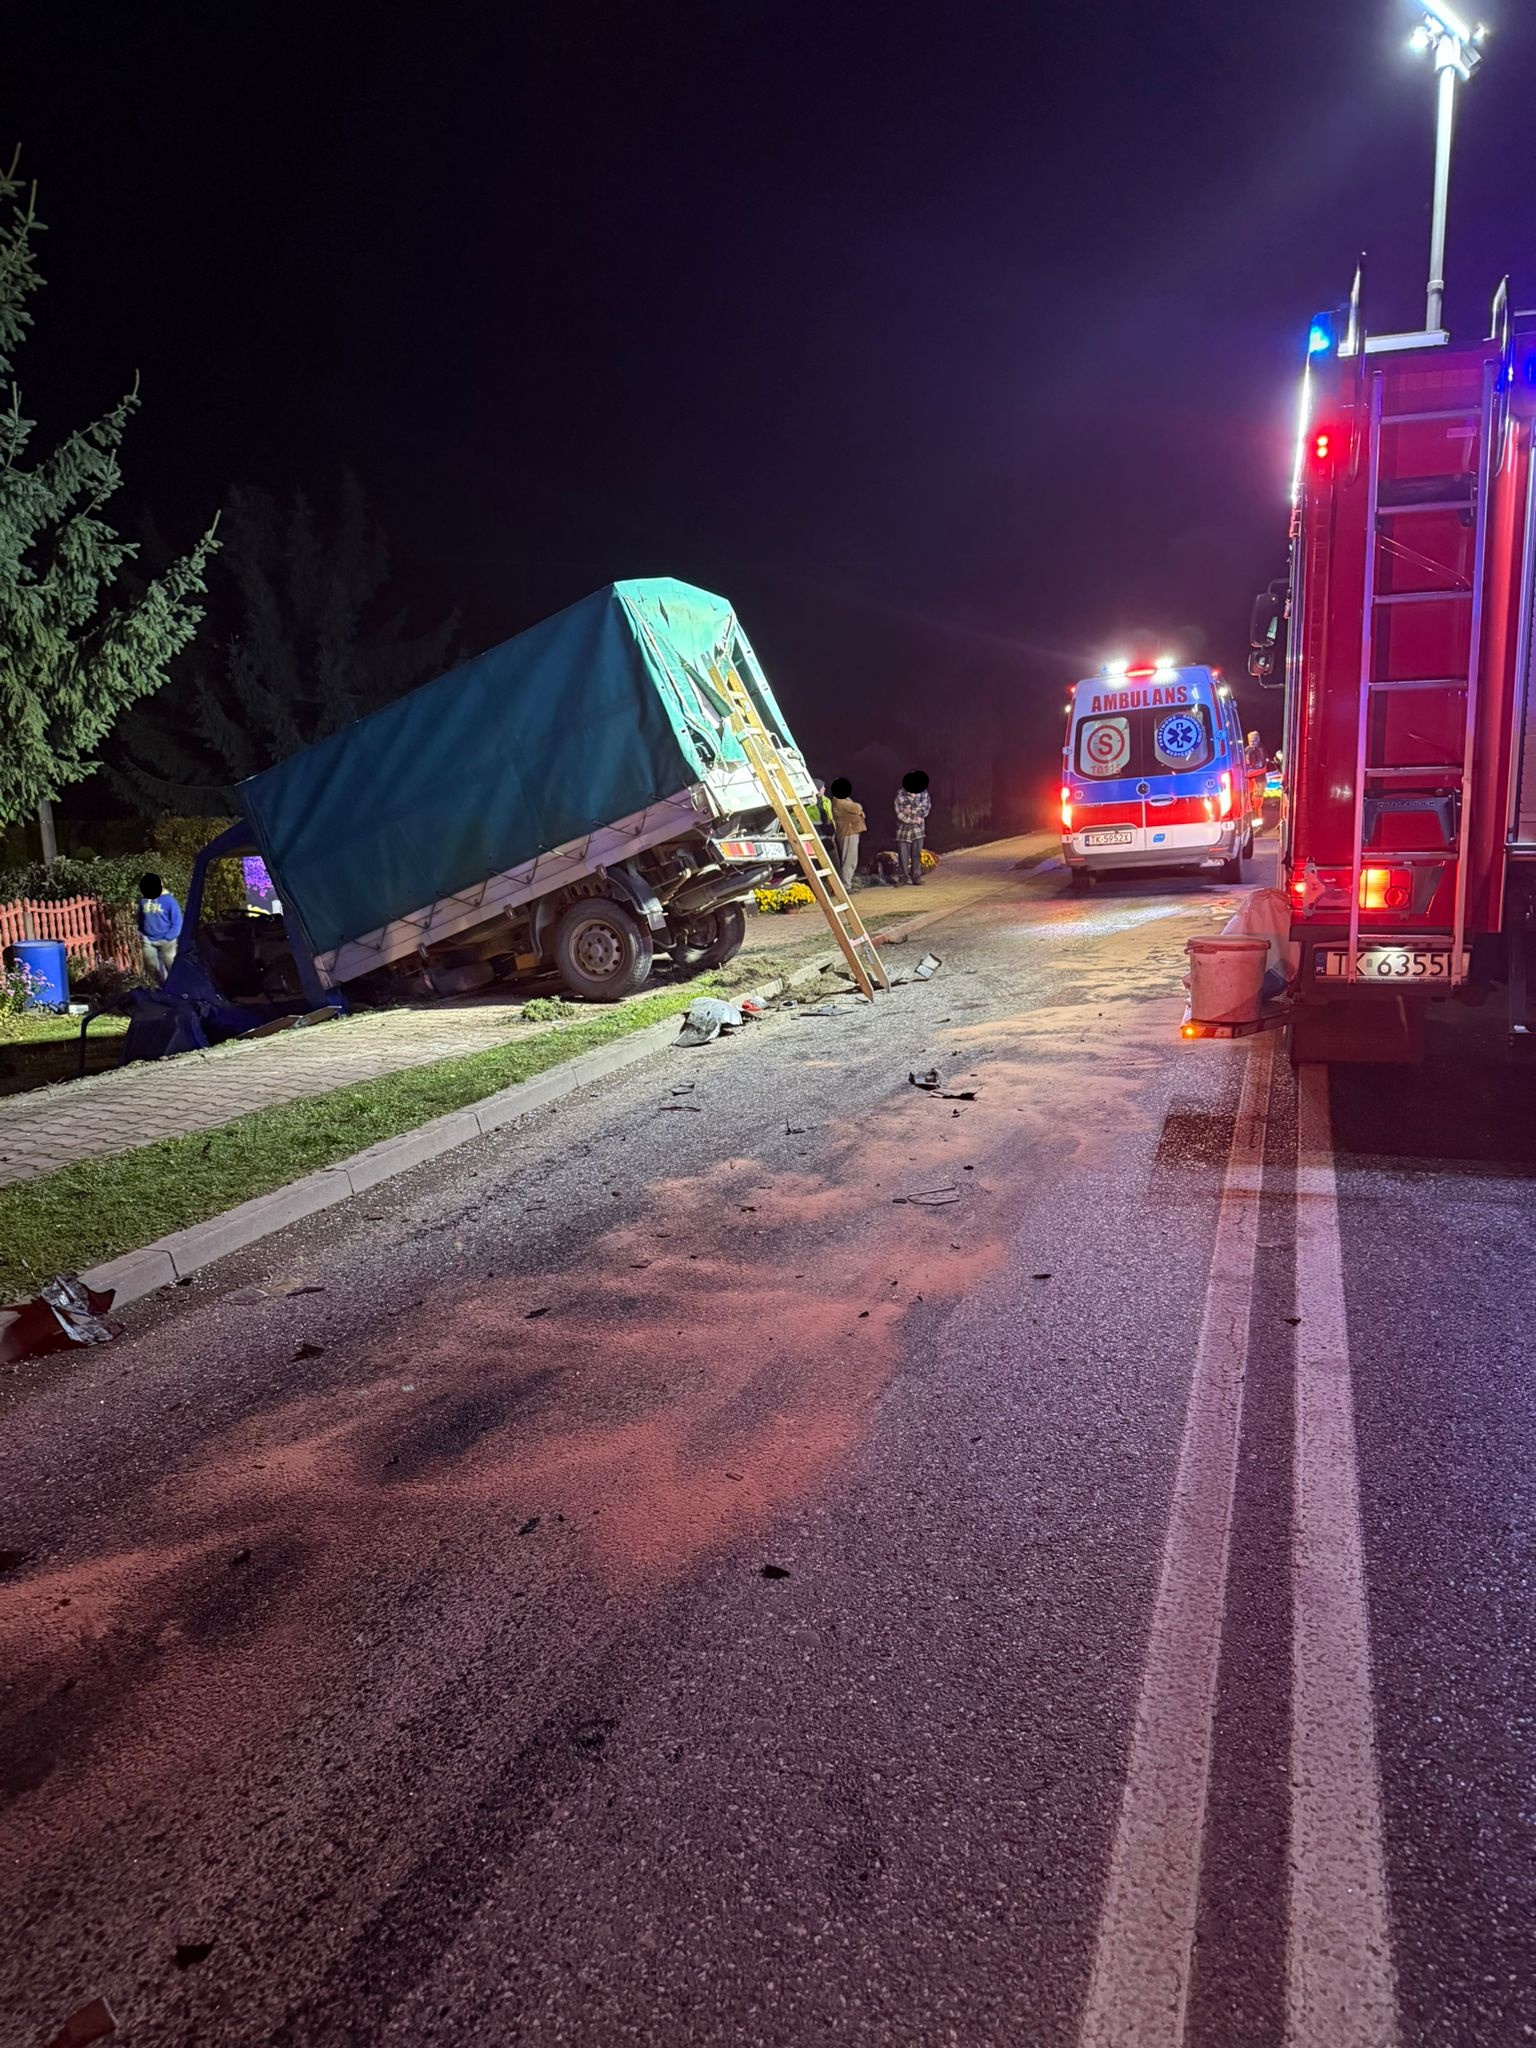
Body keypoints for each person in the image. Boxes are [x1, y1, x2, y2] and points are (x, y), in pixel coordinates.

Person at [136, 871, 183, 983]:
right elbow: (140, 919)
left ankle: (178, 986)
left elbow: (177, 922)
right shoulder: (143, 900)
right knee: (151, 966)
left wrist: (169, 937)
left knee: (171, 966)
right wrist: (141, 934)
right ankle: (161, 986)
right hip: (148, 940)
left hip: (167, 940)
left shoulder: (169, 901)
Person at [894, 770, 931, 884]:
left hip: (918, 829)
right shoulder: (900, 794)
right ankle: (903, 877)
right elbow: (899, 813)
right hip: (903, 830)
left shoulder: (924, 794)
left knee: (916, 854)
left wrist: (910, 811)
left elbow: (926, 808)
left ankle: (916, 877)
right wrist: (913, 817)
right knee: (903, 856)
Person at [828, 777, 867, 888]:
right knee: (849, 859)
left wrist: (859, 811)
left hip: (851, 831)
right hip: (848, 832)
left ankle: (847, 882)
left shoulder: (843, 799)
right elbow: (856, 807)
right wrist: (859, 810)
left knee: (851, 859)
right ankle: (846, 884)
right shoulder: (840, 801)